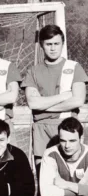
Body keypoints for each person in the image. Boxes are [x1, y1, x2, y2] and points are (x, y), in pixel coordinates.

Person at [23, 24, 88, 171]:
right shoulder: (33, 71)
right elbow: (33, 103)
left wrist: (43, 106)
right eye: (49, 44)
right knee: (43, 174)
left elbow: (78, 100)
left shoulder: (74, 67)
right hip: (41, 128)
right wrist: (64, 96)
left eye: (56, 44)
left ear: (62, 44)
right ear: (41, 45)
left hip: (68, 127)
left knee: (71, 174)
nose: (53, 48)